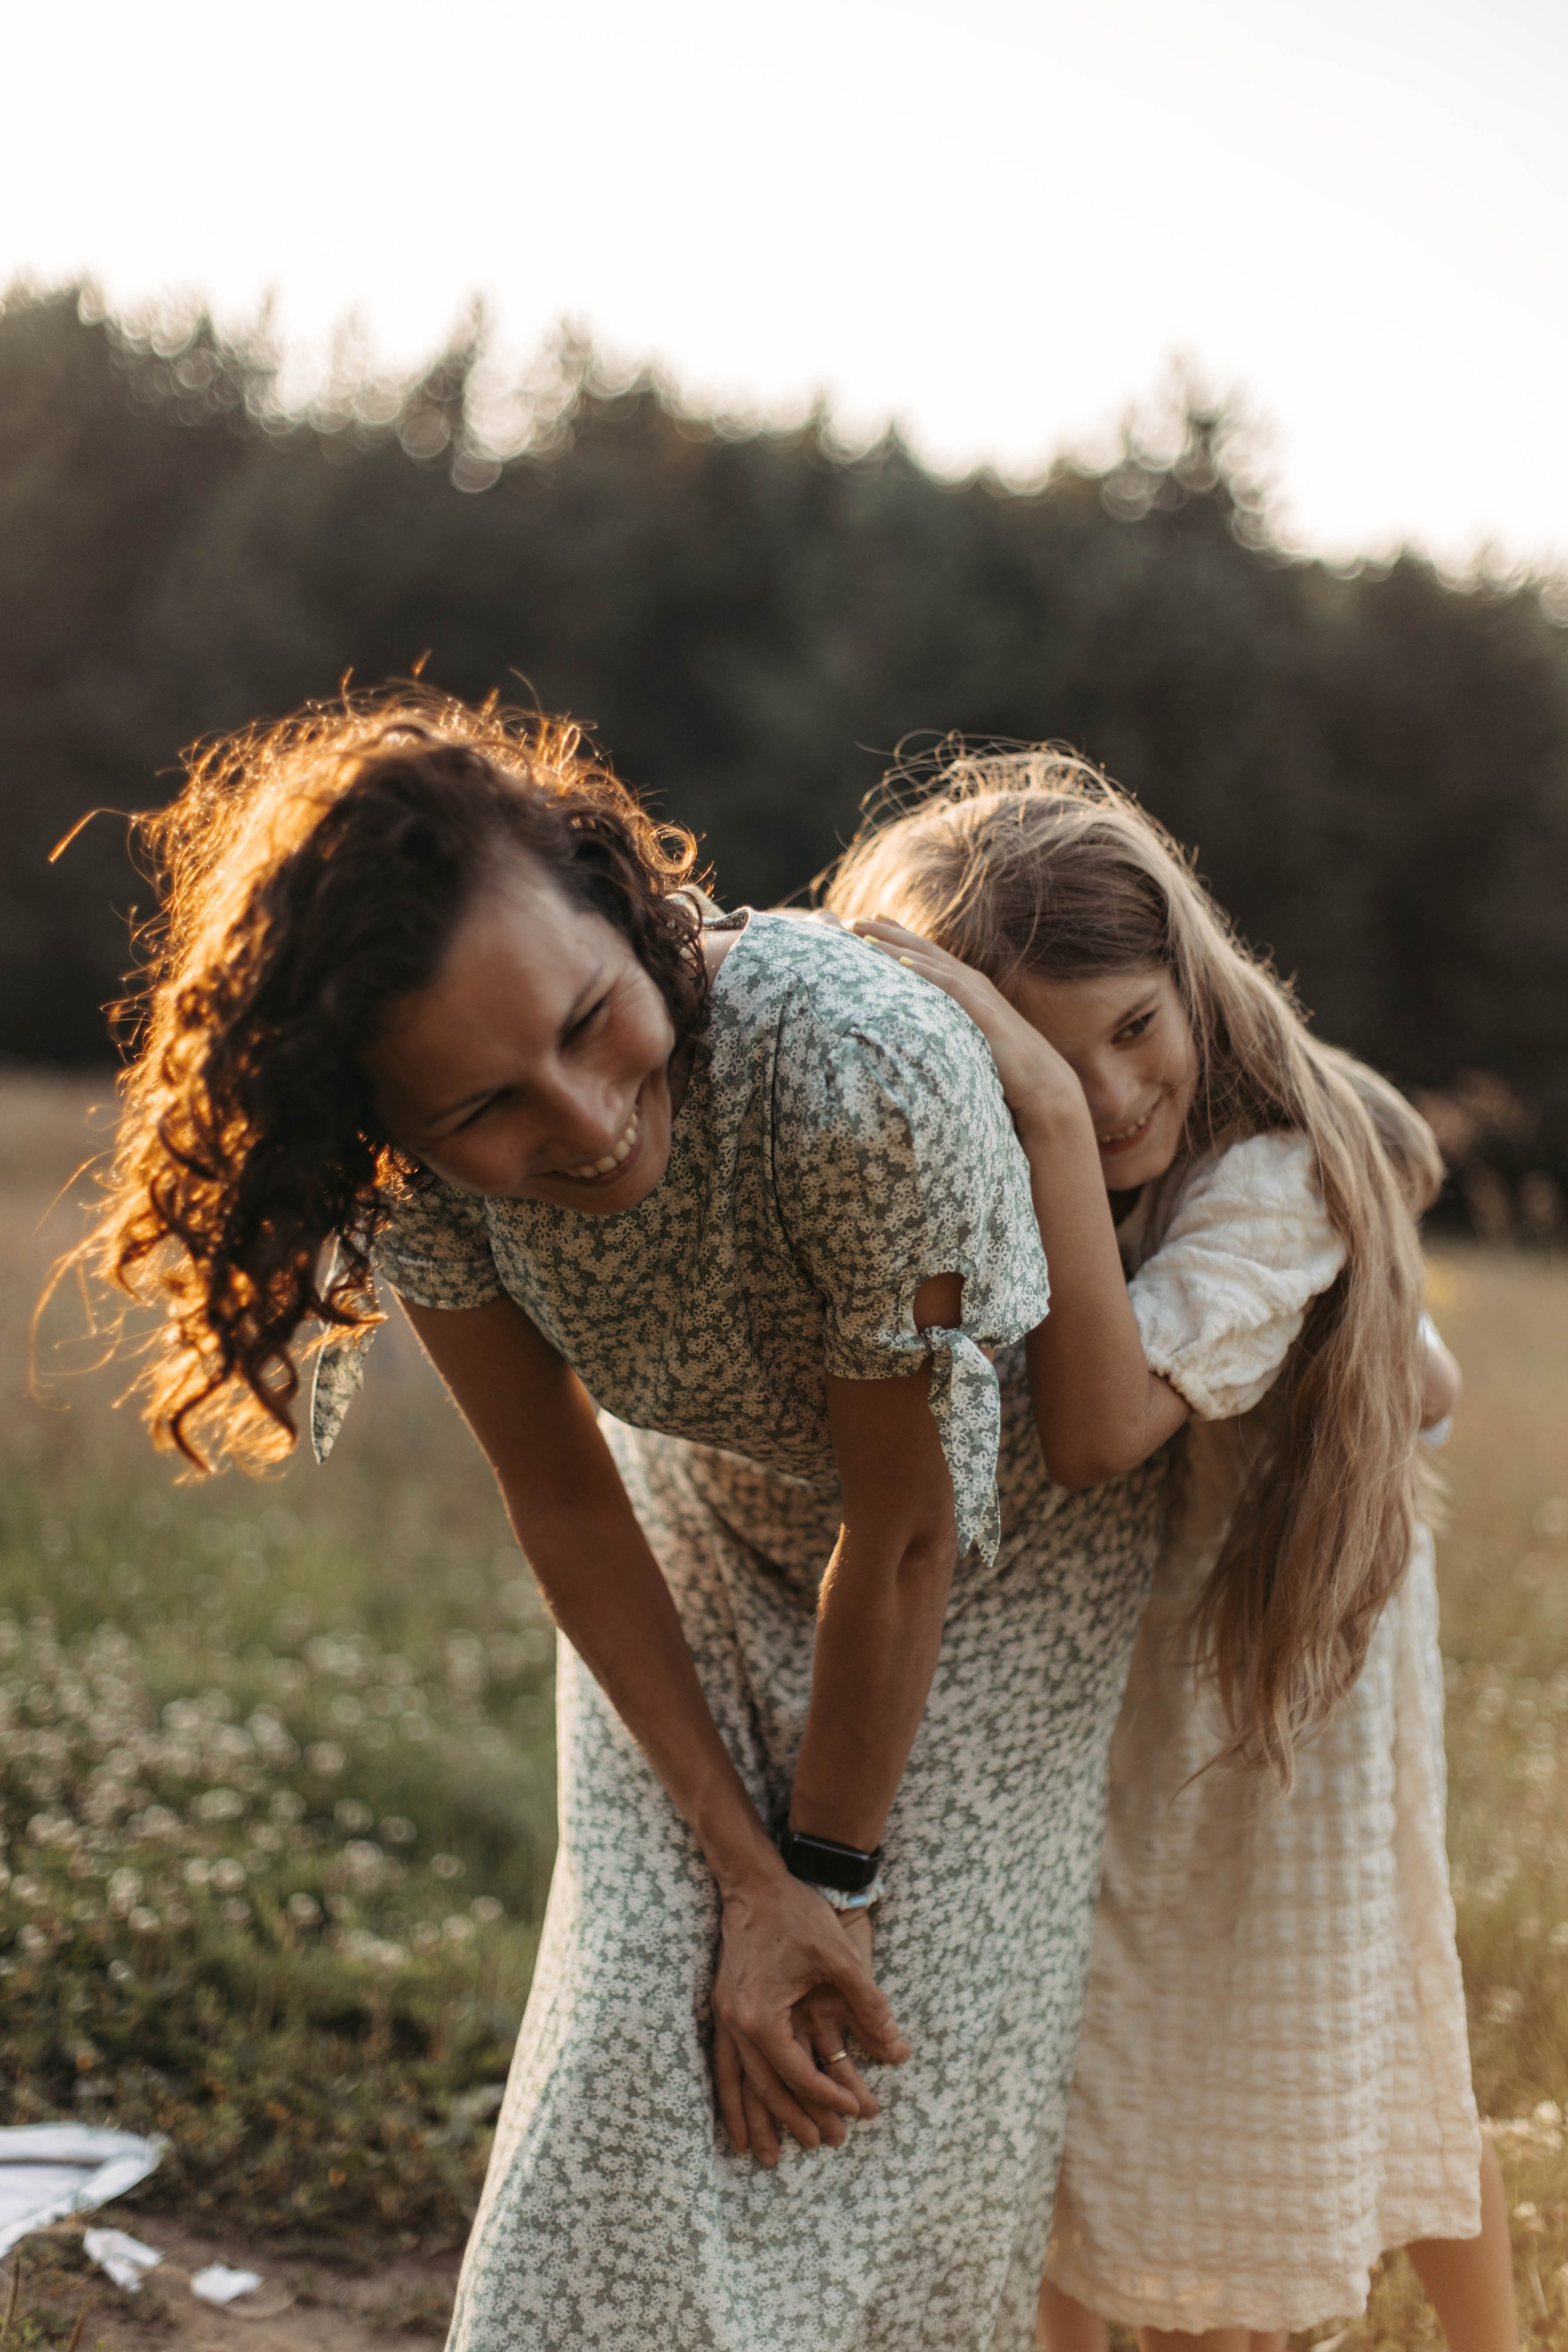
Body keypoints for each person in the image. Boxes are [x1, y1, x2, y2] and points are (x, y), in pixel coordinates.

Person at [75, 691, 1164, 2351]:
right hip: (695, 1541)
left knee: (878, 2099)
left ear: (624, 901)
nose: (581, 1124)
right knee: (627, 2069)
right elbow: (567, 1498)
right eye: (485, 1109)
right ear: (398, 1128)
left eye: (590, 1025)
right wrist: (746, 1874)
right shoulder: (415, 1183)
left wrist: (828, 1884)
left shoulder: (853, 1077)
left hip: (978, 1563)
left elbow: (912, 1529)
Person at [826, 750, 1517, 2352]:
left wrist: (1050, 1107)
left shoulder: (1268, 1170)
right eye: (1050, 1066)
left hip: (1302, 1661)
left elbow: (1098, 1424)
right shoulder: (1079, 1160)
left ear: (1191, 978)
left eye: (1135, 1028)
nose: (1117, 1089)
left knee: (1337, 2020)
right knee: (1105, 2050)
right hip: (1144, 1653)